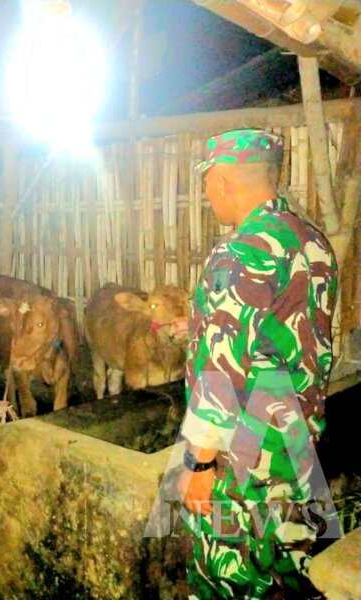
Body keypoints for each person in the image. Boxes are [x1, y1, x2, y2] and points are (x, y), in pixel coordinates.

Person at [177, 129, 339, 598]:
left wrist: (199, 464)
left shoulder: (239, 254)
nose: (207, 196)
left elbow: (220, 372)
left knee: (230, 577)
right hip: (297, 449)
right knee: (287, 573)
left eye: (208, 184)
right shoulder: (314, 243)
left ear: (224, 182)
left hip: (242, 464)